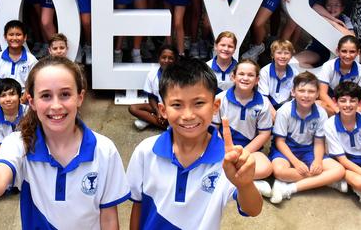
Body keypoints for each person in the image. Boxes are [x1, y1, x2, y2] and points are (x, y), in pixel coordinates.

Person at [0, 57, 130, 229]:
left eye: (65, 94)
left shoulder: (104, 150)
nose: (55, 105)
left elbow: (109, 217)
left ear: (80, 97)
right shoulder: (19, 143)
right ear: (31, 101)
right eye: (45, 95)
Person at [126, 58, 262, 229]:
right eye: (177, 104)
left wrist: (245, 184)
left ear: (215, 106)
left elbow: (253, 209)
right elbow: (137, 204)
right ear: (163, 110)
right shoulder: (145, 151)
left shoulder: (227, 160)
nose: (188, 115)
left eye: (198, 103)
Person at [268, 72, 346, 204]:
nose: (306, 95)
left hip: (308, 150)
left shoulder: (321, 113)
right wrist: (296, 163)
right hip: (285, 149)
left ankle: (289, 187)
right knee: (279, 171)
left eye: (311, 91)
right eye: (301, 90)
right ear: (293, 92)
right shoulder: (284, 111)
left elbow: (319, 142)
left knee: (339, 170)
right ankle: (323, 181)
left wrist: (317, 161)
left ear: (317, 94)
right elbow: (280, 142)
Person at [213, 59, 274, 197]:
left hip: (250, 151)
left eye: (250, 75)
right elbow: (213, 129)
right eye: (241, 74)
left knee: (266, 168)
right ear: (233, 77)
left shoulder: (263, 103)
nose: (245, 78)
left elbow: (264, 134)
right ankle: (250, 184)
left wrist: (244, 153)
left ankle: (228, 180)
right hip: (223, 148)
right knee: (204, 161)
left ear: (257, 79)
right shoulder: (220, 99)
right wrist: (227, 151)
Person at [317, 35, 361, 117]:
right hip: (333, 104)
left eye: (352, 52)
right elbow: (322, 94)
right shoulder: (328, 66)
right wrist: (338, 111)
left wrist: (355, 113)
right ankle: (339, 119)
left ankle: (351, 119)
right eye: (344, 51)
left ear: (358, 52)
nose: (347, 55)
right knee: (318, 104)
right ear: (337, 51)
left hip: (351, 105)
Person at [295, 0, 354, 68]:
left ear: (342, 8)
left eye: (336, 5)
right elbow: (314, 6)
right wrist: (332, 20)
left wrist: (336, 24)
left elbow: (351, 37)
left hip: (336, 54)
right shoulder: (321, 15)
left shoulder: (345, 19)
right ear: (324, 7)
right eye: (329, 5)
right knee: (295, 62)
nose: (332, 8)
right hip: (317, 51)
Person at [129, 44, 177, 131]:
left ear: (175, 60)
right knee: (133, 108)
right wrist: (158, 112)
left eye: (171, 58)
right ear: (159, 58)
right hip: (160, 107)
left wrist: (167, 112)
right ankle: (162, 123)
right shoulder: (152, 74)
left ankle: (151, 120)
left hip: (175, 109)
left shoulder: (180, 76)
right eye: (164, 57)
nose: (167, 60)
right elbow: (151, 97)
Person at [0, 20, 38, 100]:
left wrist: (23, 100)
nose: (14, 38)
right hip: (3, 97)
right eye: (11, 34)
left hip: (24, 97)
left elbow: (32, 84)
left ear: (25, 37)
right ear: (5, 37)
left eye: (18, 35)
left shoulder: (31, 60)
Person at [0, 78, 26, 152]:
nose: (8, 99)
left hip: (28, 151)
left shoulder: (28, 112)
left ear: (19, 96)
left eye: (12, 94)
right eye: (3, 95)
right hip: (7, 154)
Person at [258, 39, 298, 111]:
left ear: (291, 56)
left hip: (286, 106)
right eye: (279, 53)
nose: (283, 56)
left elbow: (295, 97)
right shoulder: (265, 71)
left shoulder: (295, 73)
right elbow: (264, 97)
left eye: (286, 53)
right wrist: (275, 116)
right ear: (272, 55)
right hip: (267, 105)